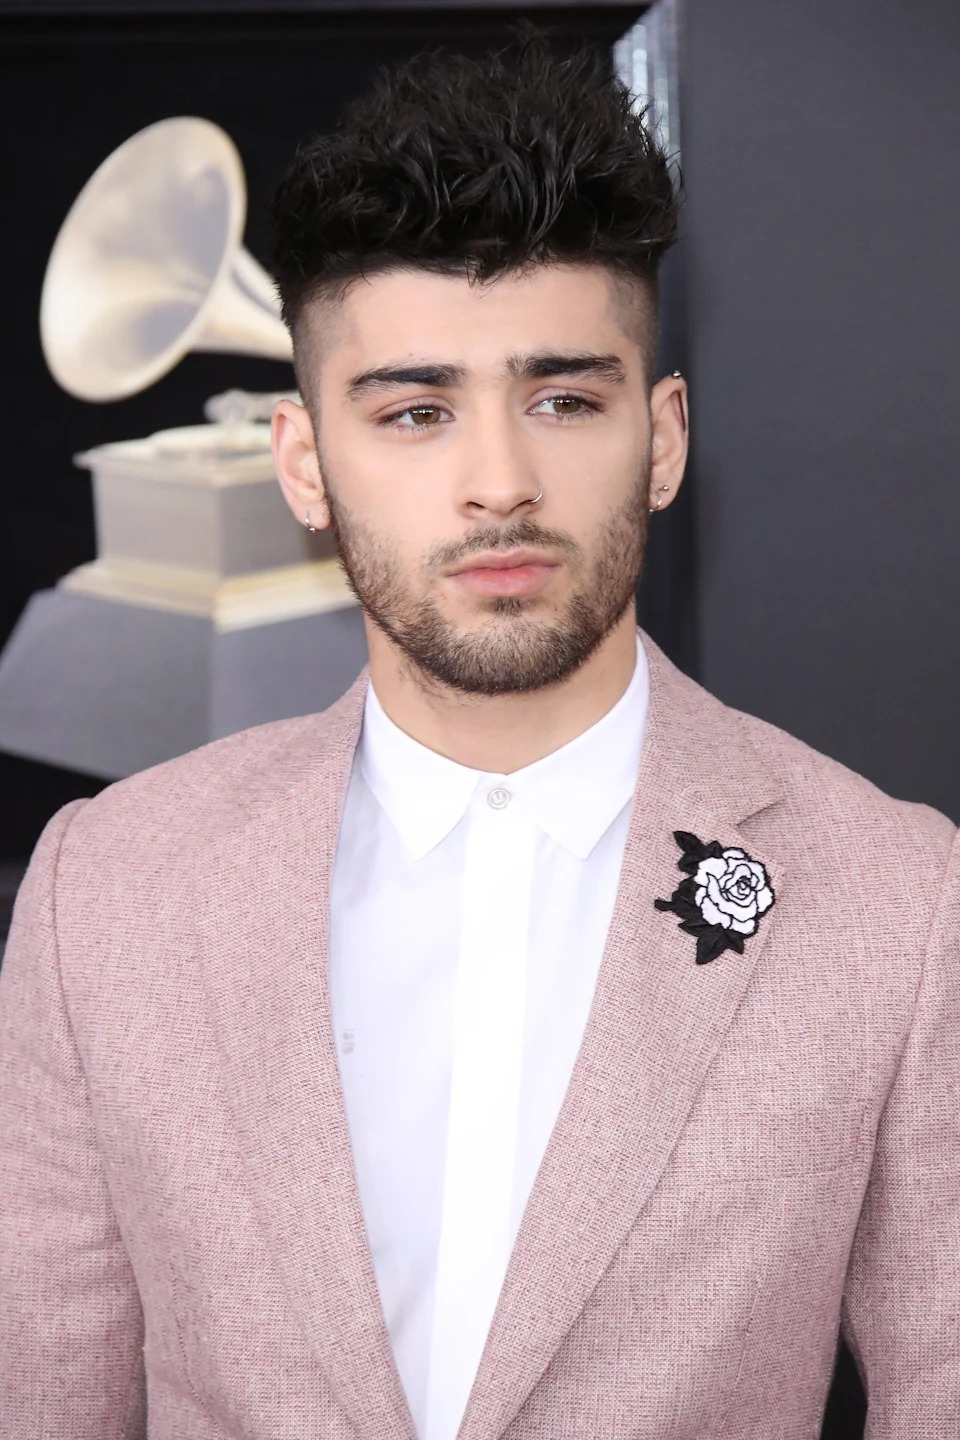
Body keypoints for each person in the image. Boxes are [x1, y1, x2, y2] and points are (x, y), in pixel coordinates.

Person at [1, 30, 958, 1440]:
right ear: (304, 463)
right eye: (415, 411)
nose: (497, 483)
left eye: (564, 399)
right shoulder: (107, 891)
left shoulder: (901, 902)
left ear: (665, 437)